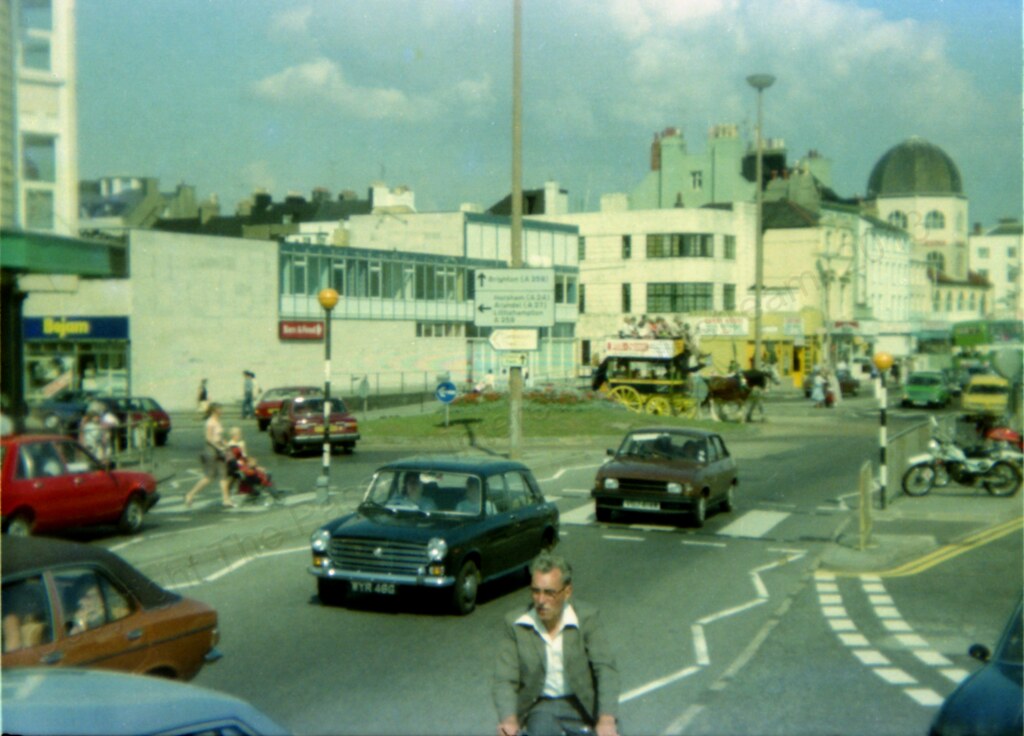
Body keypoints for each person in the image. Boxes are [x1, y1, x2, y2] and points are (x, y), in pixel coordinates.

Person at [493, 552, 620, 736]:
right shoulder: (516, 624)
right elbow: (505, 679)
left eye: (549, 593)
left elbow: (606, 669)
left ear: (567, 592)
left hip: (583, 705)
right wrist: (508, 720)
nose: (541, 600)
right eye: (535, 591)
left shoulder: (587, 619)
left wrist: (606, 719)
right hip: (542, 708)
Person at [184, 403, 235, 509]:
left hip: (220, 450)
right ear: (214, 411)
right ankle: (190, 494)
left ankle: (226, 500)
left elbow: (219, 437)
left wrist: (227, 446)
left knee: (223, 475)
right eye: (220, 409)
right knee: (209, 477)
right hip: (211, 451)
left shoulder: (218, 421)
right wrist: (219, 447)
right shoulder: (210, 422)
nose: (222, 411)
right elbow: (208, 438)